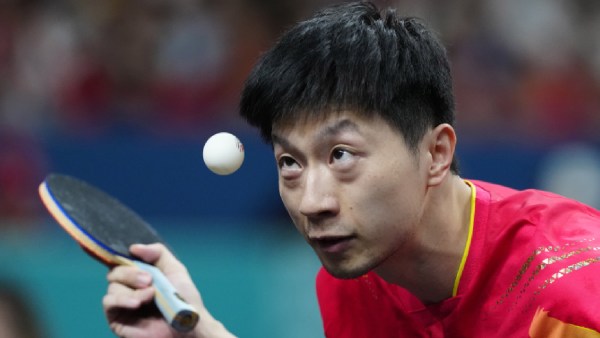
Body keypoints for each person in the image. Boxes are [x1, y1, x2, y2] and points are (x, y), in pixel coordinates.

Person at [102, 2, 600, 337]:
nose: (313, 203)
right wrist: (196, 329)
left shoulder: (566, 308)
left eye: (341, 155)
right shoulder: (355, 274)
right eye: (290, 163)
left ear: (436, 153)